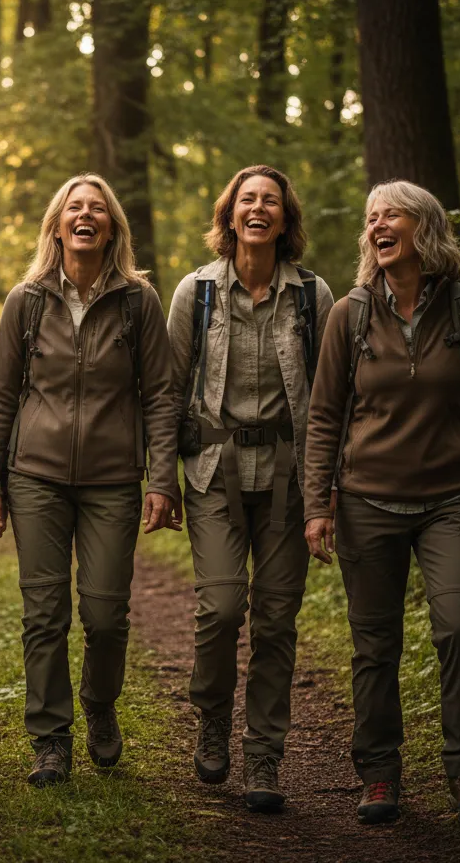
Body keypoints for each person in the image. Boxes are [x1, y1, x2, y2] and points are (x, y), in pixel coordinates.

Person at [303, 179, 460, 824]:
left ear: (422, 227)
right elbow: (323, 417)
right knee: (375, 646)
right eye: (371, 217)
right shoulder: (350, 313)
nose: (377, 224)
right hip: (367, 501)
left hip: (450, 501)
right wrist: (319, 504)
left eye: (390, 213)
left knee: (459, 629)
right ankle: (378, 776)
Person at [0, 174, 181, 786]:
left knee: (105, 614)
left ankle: (99, 705)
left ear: (111, 226)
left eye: (97, 208)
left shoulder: (138, 302)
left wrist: (161, 479)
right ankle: (50, 739)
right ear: (57, 226)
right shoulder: (26, 299)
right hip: (35, 477)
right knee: (43, 613)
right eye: (74, 208)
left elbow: (162, 396)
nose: (86, 215)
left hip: (113, 479)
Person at [167, 165, 333, 813]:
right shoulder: (197, 293)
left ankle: (264, 754)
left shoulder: (313, 297)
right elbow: (167, 391)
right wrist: (161, 480)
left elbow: (330, 400)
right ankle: (211, 716)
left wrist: (327, 491)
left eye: (270, 201)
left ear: (285, 219)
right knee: (223, 609)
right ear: (230, 215)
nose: (258, 208)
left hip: (292, 480)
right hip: (213, 474)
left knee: (276, 619)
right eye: (247, 200)